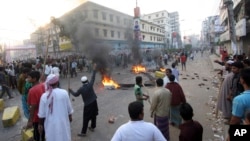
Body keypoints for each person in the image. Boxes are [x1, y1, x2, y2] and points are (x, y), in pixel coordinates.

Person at [38, 74, 73, 141]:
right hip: (63, 122)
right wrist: (70, 117)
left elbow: (41, 115)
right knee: (64, 137)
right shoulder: (64, 93)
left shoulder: (44, 96)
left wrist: (40, 124)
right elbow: (69, 109)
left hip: (50, 124)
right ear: (57, 82)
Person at [68, 63, 98, 137]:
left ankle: (83, 132)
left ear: (82, 82)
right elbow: (93, 77)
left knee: (86, 118)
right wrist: (94, 69)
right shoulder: (90, 84)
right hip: (94, 102)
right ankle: (93, 127)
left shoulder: (81, 89)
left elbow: (75, 94)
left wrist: (70, 90)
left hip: (87, 105)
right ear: (87, 80)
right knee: (94, 115)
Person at [26, 71, 45, 141]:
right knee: (42, 133)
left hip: (37, 117)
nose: (27, 79)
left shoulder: (32, 90)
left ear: (34, 79)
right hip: (44, 115)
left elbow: (33, 106)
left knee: (38, 135)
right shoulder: (43, 85)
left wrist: (30, 120)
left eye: (29, 77)